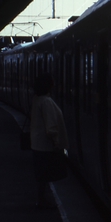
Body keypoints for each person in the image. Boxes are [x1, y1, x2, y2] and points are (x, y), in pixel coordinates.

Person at [30, 73, 69, 209]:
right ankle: (41, 201)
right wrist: (57, 143)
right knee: (45, 175)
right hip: (46, 145)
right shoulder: (46, 102)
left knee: (41, 175)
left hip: (37, 143)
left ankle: (41, 199)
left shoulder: (37, 99)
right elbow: (51, 126)